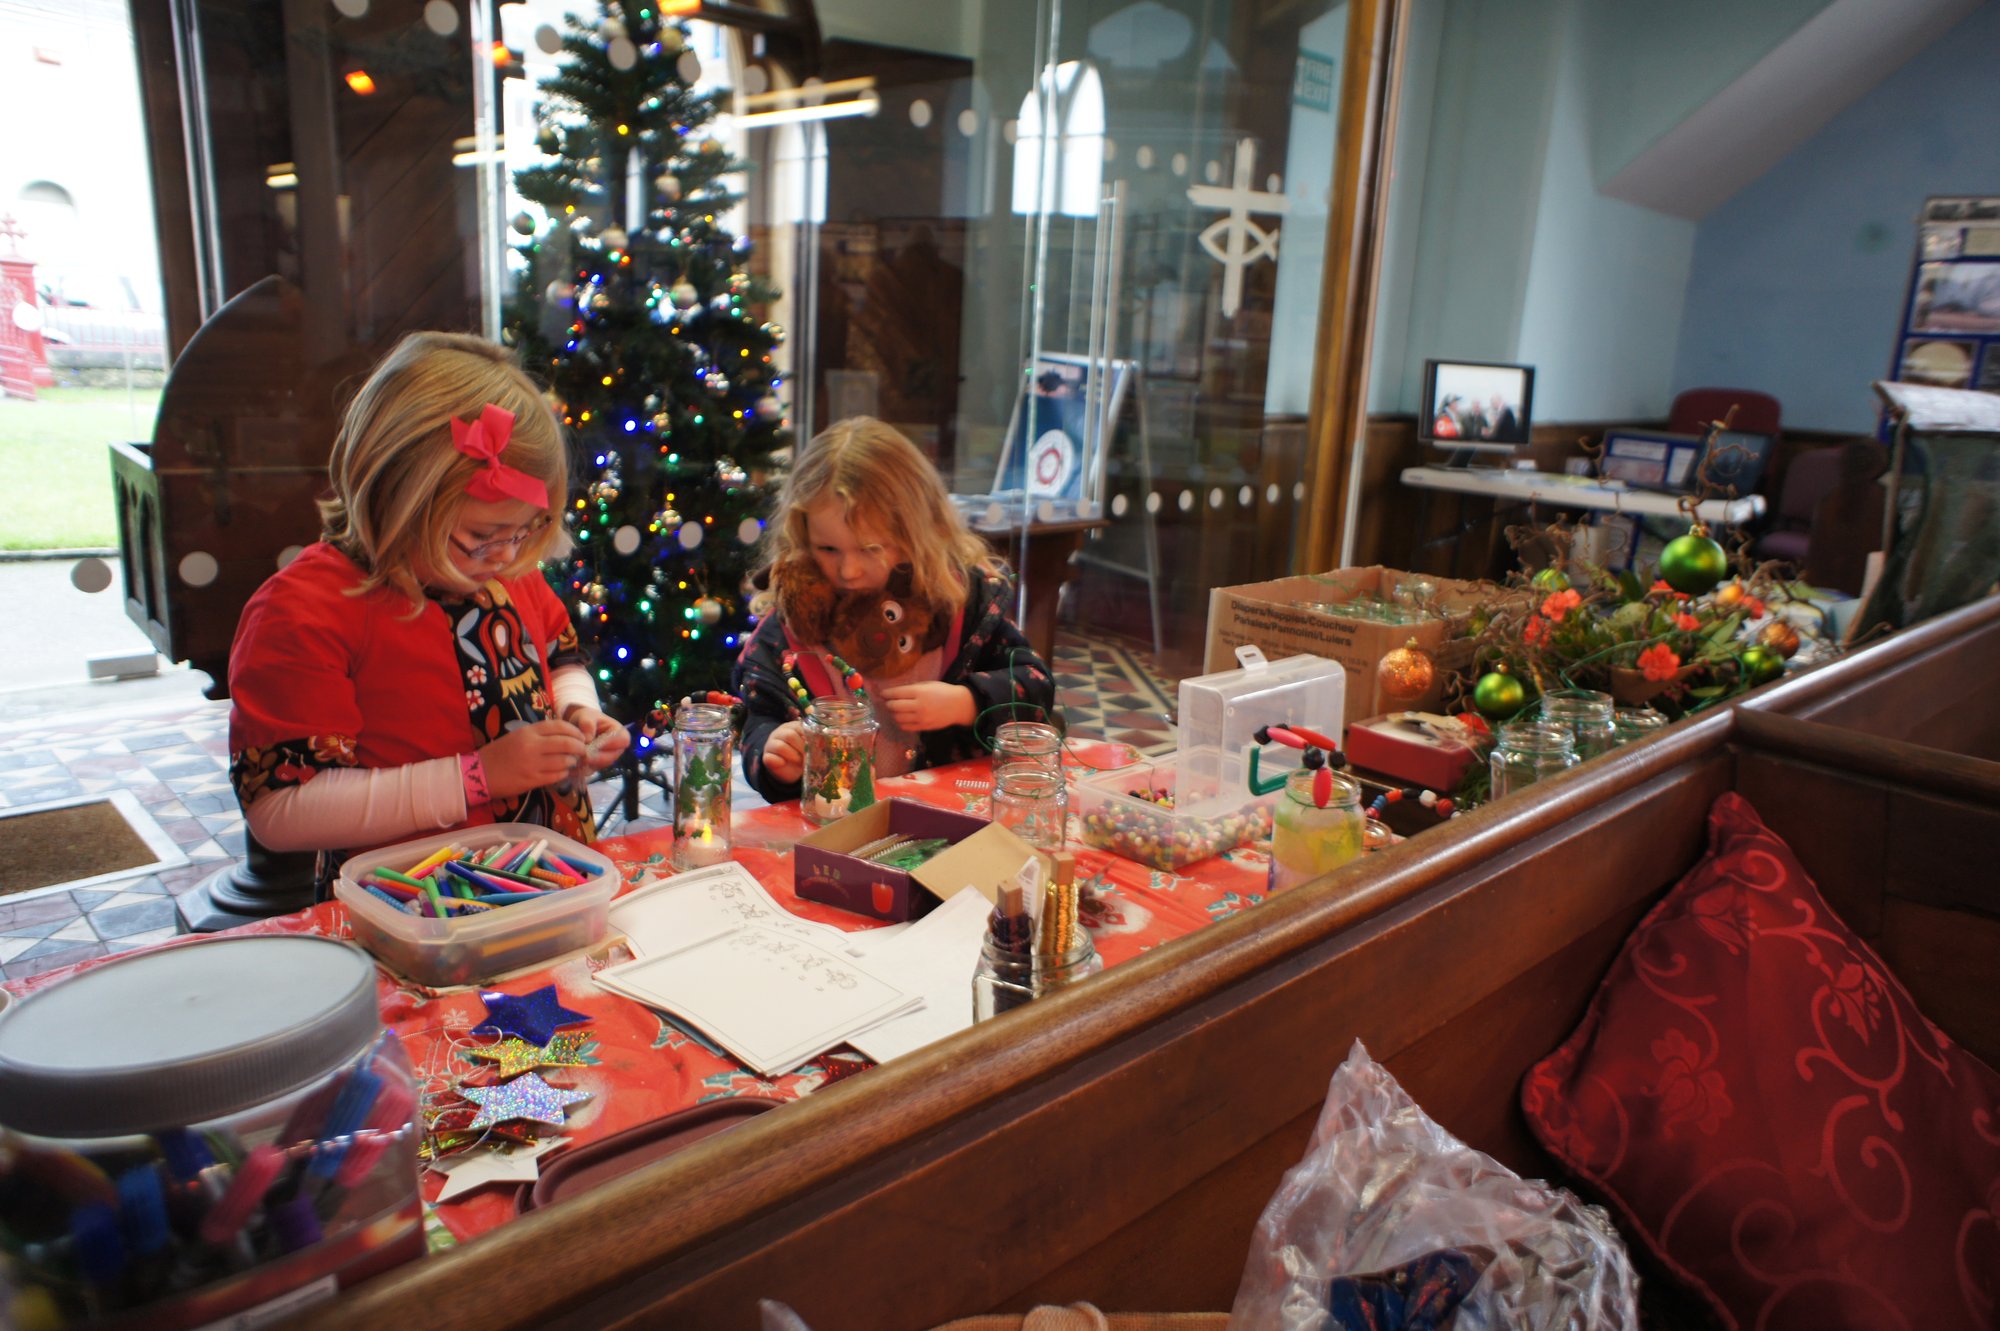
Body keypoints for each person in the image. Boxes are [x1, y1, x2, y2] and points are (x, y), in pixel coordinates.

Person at [227, 331, 628, 894]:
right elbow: (280, 811)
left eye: (525, 530)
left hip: (551, 886)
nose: (510, 556)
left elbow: (562, 658)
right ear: (396, 496)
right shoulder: (304, 611)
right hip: (414, 909)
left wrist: (579, 711)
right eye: (482, 536)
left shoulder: (509, 575)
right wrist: (478, 778)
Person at [733, 417, 1056, 803]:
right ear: (802, 538)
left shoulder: (960, 601)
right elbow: (755, 719)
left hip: (953, 818)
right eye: (827, 549)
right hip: (835, 827)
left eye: (871, 549)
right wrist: (773, 754)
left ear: (918, 533)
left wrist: (968, 701)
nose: (848, 571)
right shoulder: (788, 627)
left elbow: (1036, 686)